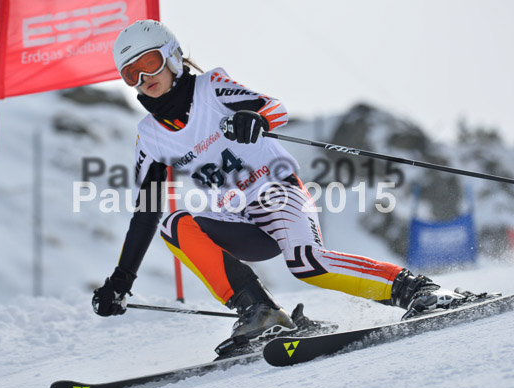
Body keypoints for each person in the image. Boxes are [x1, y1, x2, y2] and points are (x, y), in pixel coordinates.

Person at [92, 20, 471, 342]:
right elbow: (146, 212)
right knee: (173, 225)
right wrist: (121, 280)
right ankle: (260, 311)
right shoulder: (150, 135)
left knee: (307, 263)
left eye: (150, 63)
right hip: (238, 219)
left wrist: (256, 119)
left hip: (278, 193)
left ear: (172, 56)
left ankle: (417, 290)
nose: (144, 78)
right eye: (131, 74)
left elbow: (273, 107)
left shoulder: (212, 87)